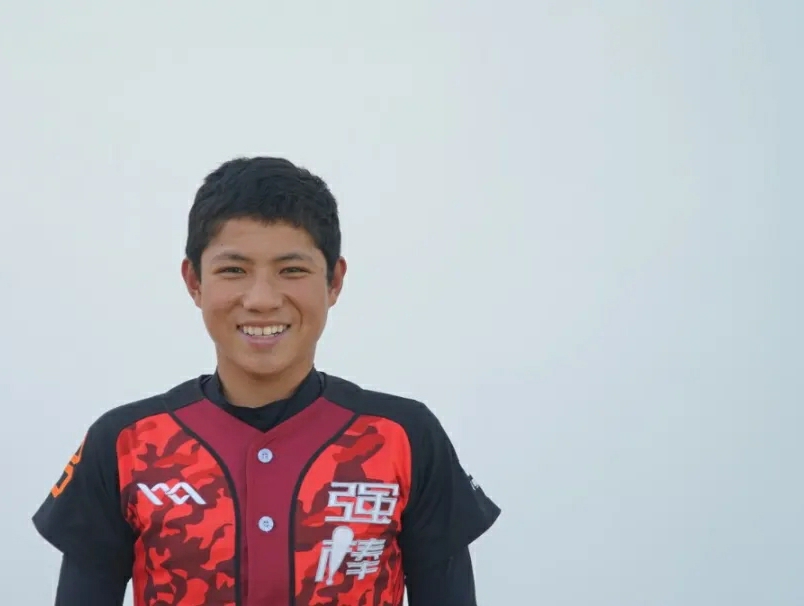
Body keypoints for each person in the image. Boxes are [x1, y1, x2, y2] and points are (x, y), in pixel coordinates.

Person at [32, 156, 501, 606]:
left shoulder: (404, 438)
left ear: (334, 281)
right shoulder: (125, 444)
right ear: (194, 281)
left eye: (292, 270)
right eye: (233, 270)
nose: (261, 299)